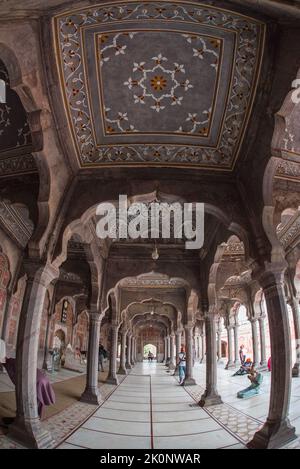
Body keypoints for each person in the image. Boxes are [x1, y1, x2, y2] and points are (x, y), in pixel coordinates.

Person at [0, 354, 55, 425]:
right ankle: (35, 418)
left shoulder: (10, 364)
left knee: (30, 399)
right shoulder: (14, 361)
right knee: (38, 400)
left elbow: (15, 379)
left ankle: (26, 420)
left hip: (36, 380)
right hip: (41, 378)